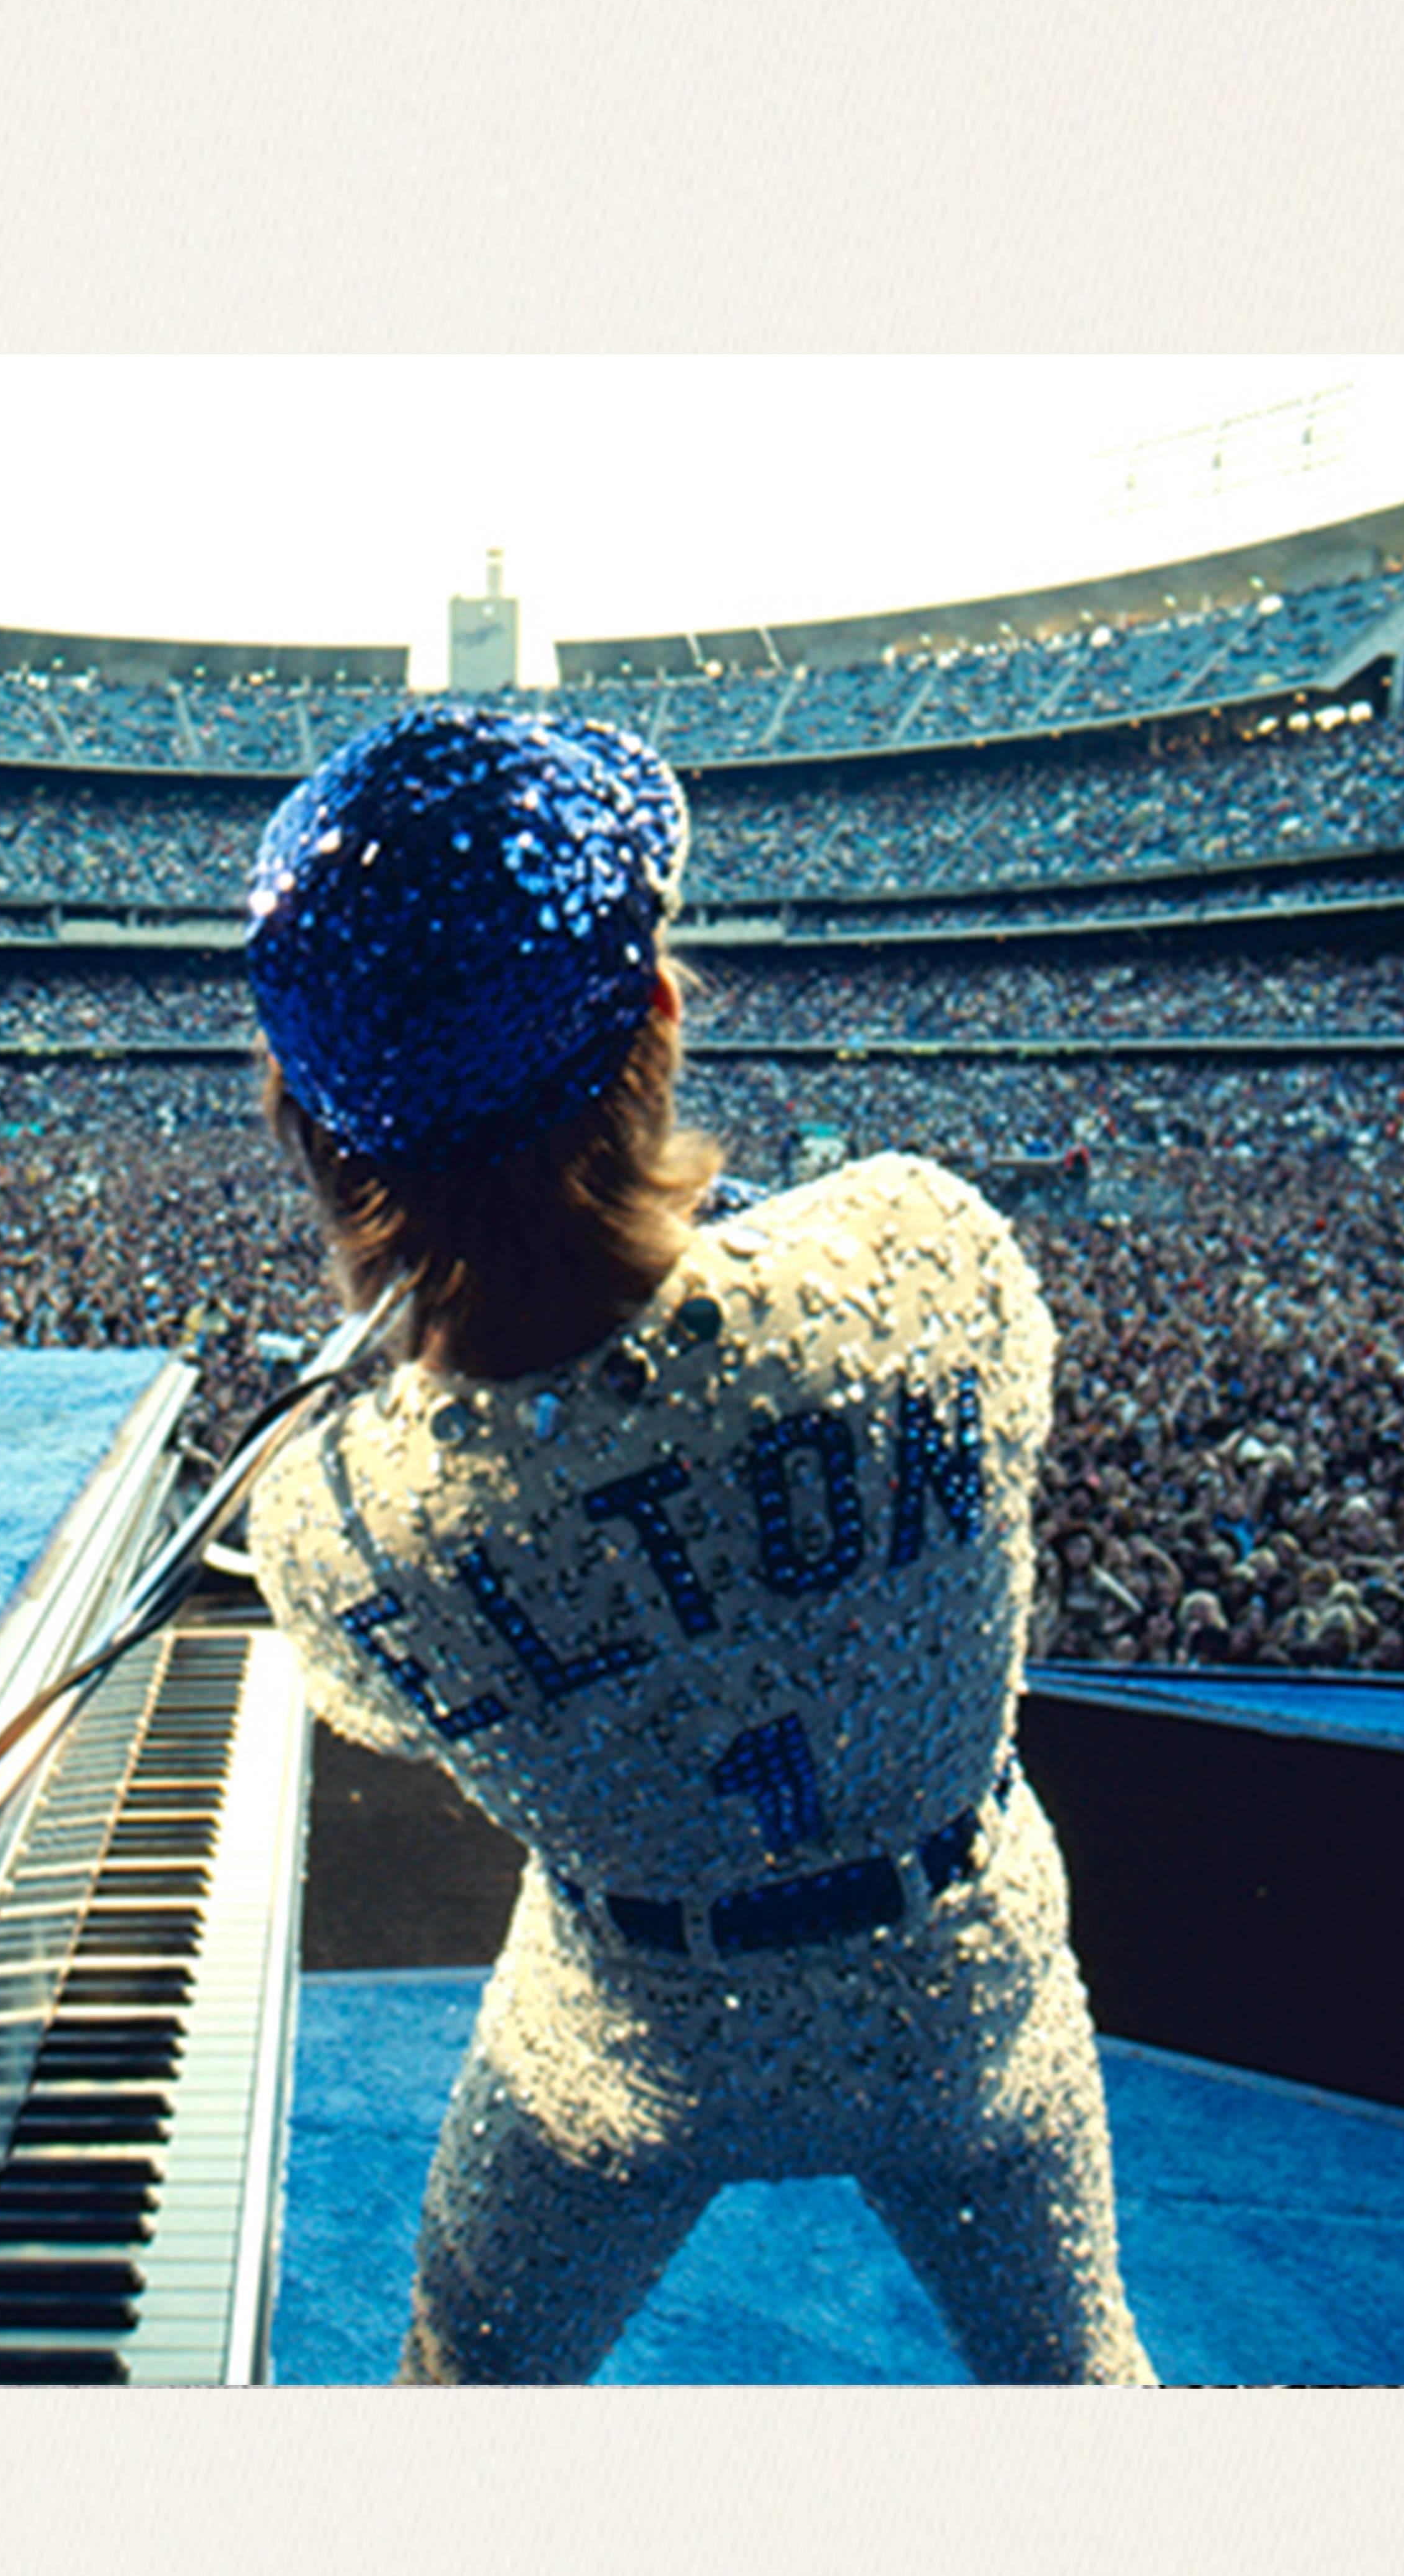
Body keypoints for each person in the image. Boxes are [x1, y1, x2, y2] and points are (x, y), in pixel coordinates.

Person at [234, 704, 1156, 2386]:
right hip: (967, 2003)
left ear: (309, 1123)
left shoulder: (338, 1518)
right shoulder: (920, 1253)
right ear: (655, 1012)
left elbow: (382, 1713)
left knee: (459, 2385)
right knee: (1080, 2373)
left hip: (619, 2046)